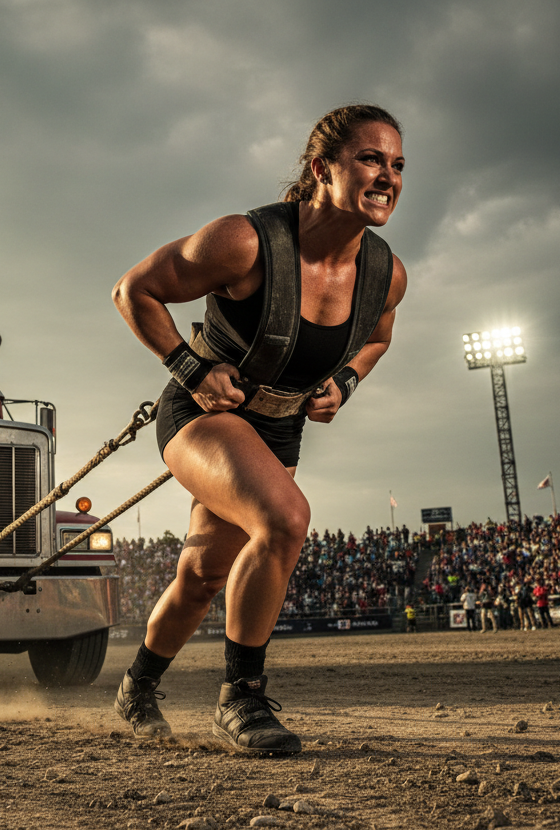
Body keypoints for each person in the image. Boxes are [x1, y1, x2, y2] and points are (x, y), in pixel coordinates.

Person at [111, 103, 408, 754]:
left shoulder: (386, 275)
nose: (388, 175)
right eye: (370, 159)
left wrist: (345, 382)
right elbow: (133, 290)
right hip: (203, 418)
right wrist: (189, 369)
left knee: (201, 578)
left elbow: (378, 338)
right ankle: (240, 698)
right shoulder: (244, 241)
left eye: (397, 164)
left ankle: (136, 688)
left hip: (278, 431)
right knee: (286, 520)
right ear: (321, 168)